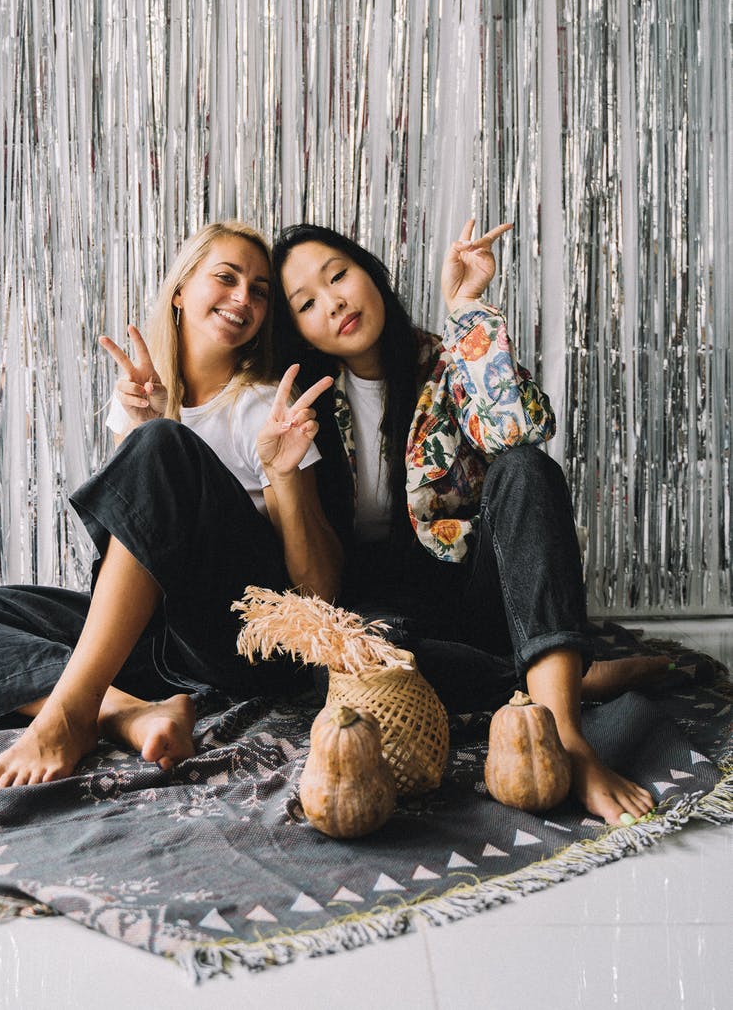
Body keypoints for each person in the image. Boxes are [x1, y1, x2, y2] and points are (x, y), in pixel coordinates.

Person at [0, 221, 341, 789]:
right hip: (152, 642)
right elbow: (126, 551)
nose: (243, 297)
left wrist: (284, 475)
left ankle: (71, 711)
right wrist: (139, 430)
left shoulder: (264, 406)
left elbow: (318, 595)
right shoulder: (142, 397)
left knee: (162, 442)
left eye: (259, 291)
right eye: (227, 277)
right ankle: (126, 712)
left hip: (233, 643)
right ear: (180, 290)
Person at [272, 219, 669, 826]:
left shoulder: (448, 360)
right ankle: (562, 676)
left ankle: (566, 736)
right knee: (370, 659)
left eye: (339, 275)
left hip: (476, 591)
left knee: (526, 469)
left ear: (371, 273)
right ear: (297, 328)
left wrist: (465, 311)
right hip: (390, 624)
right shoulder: (302, 406)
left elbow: (520, 432)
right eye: (306, 303)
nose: (333, 303)